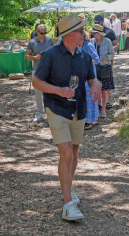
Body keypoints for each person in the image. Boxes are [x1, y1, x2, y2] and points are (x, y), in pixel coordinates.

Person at [32, 13, 101, 221]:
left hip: (78, 109)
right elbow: (36, 82)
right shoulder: (50, 55)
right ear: (70, 34)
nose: (84, 34)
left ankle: (68, 188)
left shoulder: (85, 56)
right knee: (67, 153)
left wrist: (96, 84)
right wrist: (58, 91)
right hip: (57, 109)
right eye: (81, 31)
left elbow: (91, 79)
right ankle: (68, 205)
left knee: (74, 152)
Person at [26, 24, 53, 123]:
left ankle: (50, 113)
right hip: (37, 70)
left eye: (45, 33)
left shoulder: (50, 41)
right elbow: (26, 56)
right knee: (38, 93)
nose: (43, 35)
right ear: (37, 32)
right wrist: (35, 57)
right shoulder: (32, 42)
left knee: (49, 92)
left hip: (49, 71)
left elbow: (55, 53)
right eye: (42, 33)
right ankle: (39, 113)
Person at [90, 24, 115, 119]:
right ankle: (97, 107)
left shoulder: (107, 41)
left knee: (104, 90)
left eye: (94, 33)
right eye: (92, 33)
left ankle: (103, 109)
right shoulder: (92, 42)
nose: (93, 34)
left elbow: (112, 54)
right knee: (96, 89)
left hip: (105, 68)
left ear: (99, 33)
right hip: (94, 68)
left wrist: (107, 57)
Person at [80, 29, 100, 130]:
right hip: (81, 74)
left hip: (90, 74)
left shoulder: (88, 46)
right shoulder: (77, 47)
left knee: (89, 95)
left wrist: (86, 62)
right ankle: (84, 119)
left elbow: (97, 60)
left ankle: (90, 120)